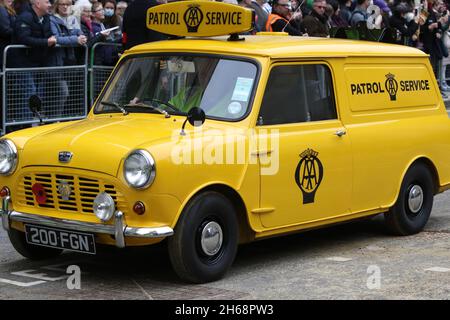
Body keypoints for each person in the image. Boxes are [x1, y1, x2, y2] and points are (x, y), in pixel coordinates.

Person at [0, 0, 16, 68]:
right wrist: (20, 32)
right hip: (4, 48)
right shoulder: (1, 10)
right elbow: (5, 30)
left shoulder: (7, 8)